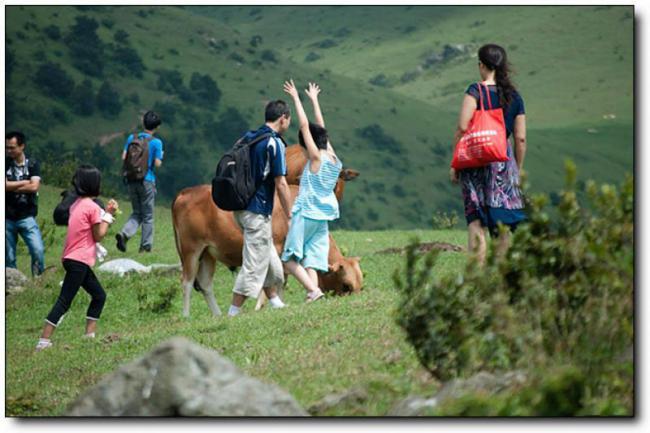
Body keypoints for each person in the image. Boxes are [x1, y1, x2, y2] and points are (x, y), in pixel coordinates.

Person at [450, 44, 527, 264]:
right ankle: (502, 272)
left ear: (482, 65)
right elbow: (520, 139)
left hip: (474, 161)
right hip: (503, 163)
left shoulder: (475, 90)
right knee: (502, 220)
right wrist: (517, 170)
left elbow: (463, 127)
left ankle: (477, 275)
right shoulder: (515, 97)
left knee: (476, 220)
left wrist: (455, 163)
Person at [35, 165, 119, 351]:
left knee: (99, 295)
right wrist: (109, 215)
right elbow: (99, 235)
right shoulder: (92, 207)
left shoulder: (76, 204)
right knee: (64, 301)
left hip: (72, 258)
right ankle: (43, 341)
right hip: (79, 260)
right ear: (94, 184)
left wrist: (104, 215)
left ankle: (89, 336)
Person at [227, 98, 294, 317]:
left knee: (269, 257)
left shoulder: (249, 136)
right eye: (288, 120)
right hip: (256, 210)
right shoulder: (274, 143)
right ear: (283, 118)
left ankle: (275, 302)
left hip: (240, 206)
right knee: (254, 263)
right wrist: (290, 214)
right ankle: (232, 313)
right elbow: (281, 183)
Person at [281, 80, 342, 302]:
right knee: (312, 260)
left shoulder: (315, 159)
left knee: (288, 259)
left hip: (305, 214)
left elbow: (306, 127)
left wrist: (296, 98)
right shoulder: (334, 159)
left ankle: (314, 291)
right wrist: (315, 99)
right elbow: (320, 127)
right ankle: (312, 296)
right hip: (322, 218)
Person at [115, 111, 163, 253]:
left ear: (143, 123)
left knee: (137, 212)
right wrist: (161, 155)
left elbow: (124, 157)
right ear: (157, 127)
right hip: (147, 180)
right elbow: (158, 163)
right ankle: (145, 246)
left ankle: (124, 234)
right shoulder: (156, 142)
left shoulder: (132, 138)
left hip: (131, 179)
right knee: (148, 215)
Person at [5, 131, 45, 276]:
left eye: (12, 147)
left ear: (22, 146)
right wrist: (24, 182)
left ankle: (38, 279)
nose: (8, 151)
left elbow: (34, 187)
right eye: (7, 147)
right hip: (6, 217)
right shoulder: (4, 163)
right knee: (8, 256)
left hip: (27, 216)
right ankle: (11, 284)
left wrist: (10, 185)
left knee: (37, 250)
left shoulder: (32, 163)